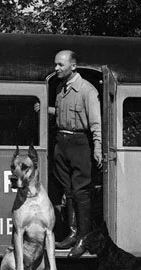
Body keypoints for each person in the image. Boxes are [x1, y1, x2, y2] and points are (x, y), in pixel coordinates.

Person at [46, 50, 102, 257]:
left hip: (80, 142)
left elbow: (95, 122)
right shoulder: (61, 89)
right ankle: (72, 233)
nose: (56, 68)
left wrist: (97, 147)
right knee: (67, 190)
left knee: (81, 191)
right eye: (56, 64)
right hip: (61, 142)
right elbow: (62, 113)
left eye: (60, 65)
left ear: (73, 66)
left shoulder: (87, 90)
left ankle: (84, 239)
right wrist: (46, 109)